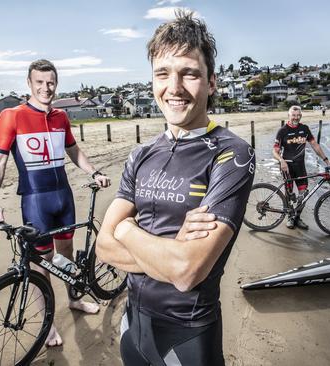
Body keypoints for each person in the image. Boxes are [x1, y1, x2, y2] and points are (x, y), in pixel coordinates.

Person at [95, 11, 255, 365]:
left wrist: (125, 228)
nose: (175, 87)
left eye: (189, 73)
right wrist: (167, 251)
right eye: (162, 74)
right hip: (132, 326)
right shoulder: (142, 154)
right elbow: (103, 248)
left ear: (211, 82)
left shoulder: (232, 153)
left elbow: (187, 271)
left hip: (188, 335)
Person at [0, 59, 111, 347]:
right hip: (36, 200)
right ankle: (48, 324)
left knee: (66, 252)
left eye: (50, 82)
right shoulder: (12, 116)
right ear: (29, 83)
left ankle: (74, 300)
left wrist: (94, 171)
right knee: (41, 263)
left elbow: (73, 150)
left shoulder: (61, 117)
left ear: (56, 83)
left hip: (63, 197)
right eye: (39, 82)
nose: (45, 88)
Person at [273, 105, 330, 229]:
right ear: (288, 116)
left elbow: (315, 145)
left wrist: (327, 160)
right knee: (289, 194)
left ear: (301, 115)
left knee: (304, 193)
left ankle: (297, 217)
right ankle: (290, 218)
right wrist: (281, 160)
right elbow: (275, 150)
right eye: (293, 115)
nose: (296, 117)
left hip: (300, 166)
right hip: (287, 167)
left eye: (298, 115)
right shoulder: (282, 131)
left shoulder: (304, 129)